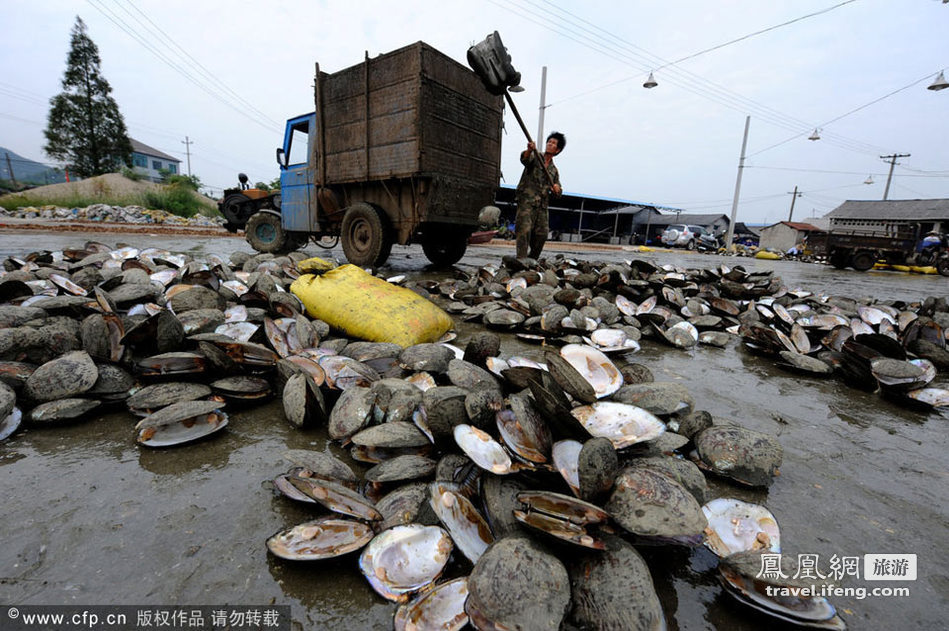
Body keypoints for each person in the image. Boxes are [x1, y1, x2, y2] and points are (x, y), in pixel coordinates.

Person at [515, 132, 565, 260]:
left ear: (557, 150)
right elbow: (525, 159)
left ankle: (532, 260)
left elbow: (558, 192)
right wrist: (529, 150)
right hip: (527, 202)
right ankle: (521, 260)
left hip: (542, 206)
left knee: (542, 234)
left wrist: (556, 189)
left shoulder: (554, 170)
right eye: (549, 141)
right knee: (524, 230)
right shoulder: (535, 156)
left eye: (553, 143)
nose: (550, 144)